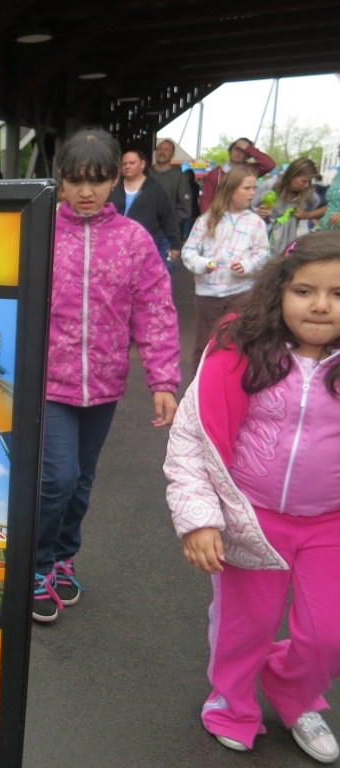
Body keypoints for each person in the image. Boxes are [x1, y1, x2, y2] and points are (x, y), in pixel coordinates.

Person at [165, 230, 340, 763]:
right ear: (279, 291)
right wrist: (200, 519)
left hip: (329, 524)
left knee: (328, 635)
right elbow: (192, 438)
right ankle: (232, 705)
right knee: (246, 628)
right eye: (305, 291)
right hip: (251, 519)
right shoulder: (240, 352)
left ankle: (293, 692)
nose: (321, 305)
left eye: (338, 294)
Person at [36, 128, 180, 623]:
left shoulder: (133, 240)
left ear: (115, 178)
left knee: (81, 481)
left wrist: (163, 381)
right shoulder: (38, 231)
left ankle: (63, 556)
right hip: (47, 382)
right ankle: (37, 564)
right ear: (60, 180)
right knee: (56, 478)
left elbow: (155, 310)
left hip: (104, 382)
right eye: (75, 180)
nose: (86, 192)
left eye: (97, 180)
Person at [181, 166, 271, 377]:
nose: (252, 193)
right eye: (246, 188)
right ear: (230, 189)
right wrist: (204, 264)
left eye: (254, 188)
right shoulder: (207, 220)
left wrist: (248, 265)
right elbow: (188, 252)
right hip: (208, 295)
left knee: (238, 340)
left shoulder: (255, 222)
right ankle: (200, 383)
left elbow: (263, 254)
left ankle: (233, 381)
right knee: (205, 342)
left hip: (242, 293)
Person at [109, 148, 182, 271]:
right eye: (124, 164)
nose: (127, 166)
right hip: (115, 246)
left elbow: (168, 217)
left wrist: (175, 244)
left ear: (142, 164)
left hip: (145, 248)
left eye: (132, 163)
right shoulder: (113, 187)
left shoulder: (155, 188)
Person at [254, 157, 325, 256]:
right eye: (304, 181)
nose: (306, 185)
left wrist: (306, 215)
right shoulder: (269, 185)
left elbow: (324, 209)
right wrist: (257, 211)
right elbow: (247, 207)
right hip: (262, 244)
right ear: (292, 175)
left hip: (287, 249)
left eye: (309, 181)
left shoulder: (309, 195)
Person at [199, 137, 275, 213]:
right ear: (230, 150)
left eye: (243, 151)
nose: (238, 153)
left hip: (242, 215)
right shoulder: (215, 173)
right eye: (236, 149)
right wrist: (208, 218)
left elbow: (269, 164)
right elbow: (206, 199)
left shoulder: (250, 170)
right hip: (218, 215)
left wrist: (249, 149)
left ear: (248, 155)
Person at [150, 138, 193, 242]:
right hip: (144, 228)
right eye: (159, 149)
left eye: (166, 150)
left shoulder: (179, 176)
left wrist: (169, 220)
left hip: (166, 232)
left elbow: (185, 207)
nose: (162, 152)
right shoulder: (144, 174)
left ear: (172, 155)